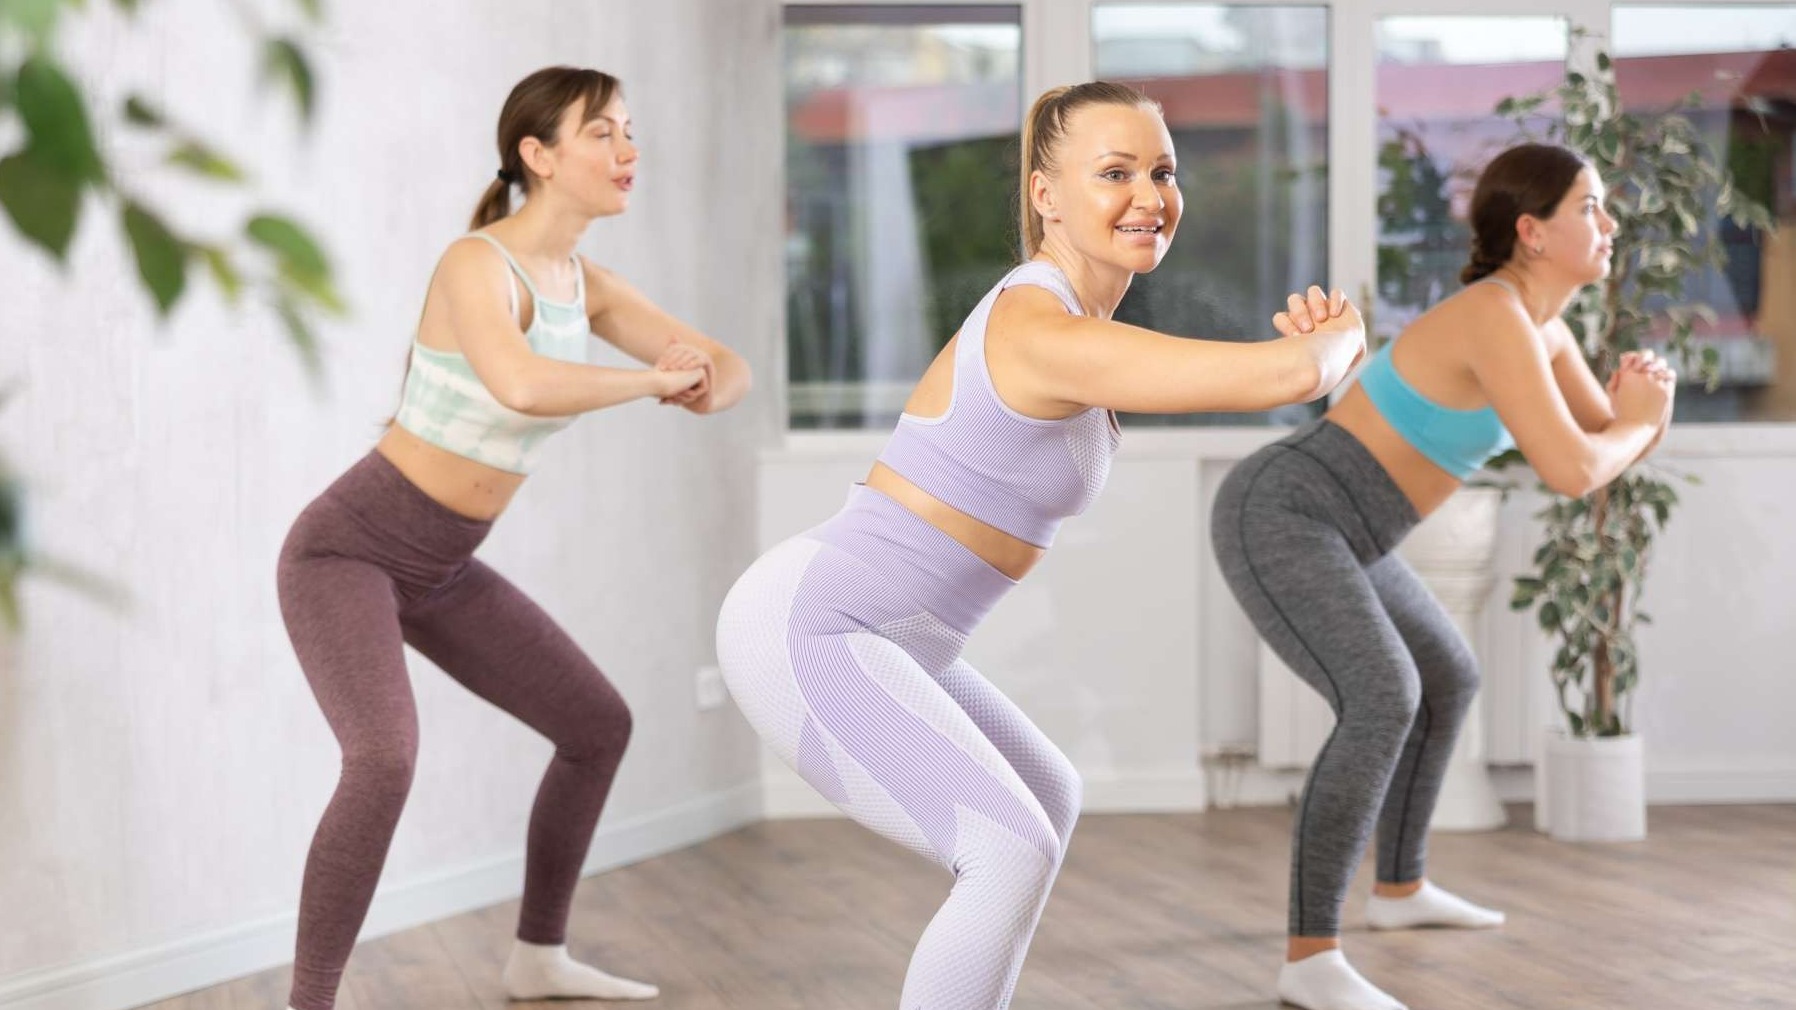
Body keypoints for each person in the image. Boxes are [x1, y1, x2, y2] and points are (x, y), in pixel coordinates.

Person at [715, 80, 1365, 1010]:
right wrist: (1341, 336)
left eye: (1162, 172)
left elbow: (1288, 373)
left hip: (902, 635)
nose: (1149, 196)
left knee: (1047, 799)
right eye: (1115, 172)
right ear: (1045, 194)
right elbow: (1291, 374)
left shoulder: (1082, 324)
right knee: (1006, 849)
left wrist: (1320, 355)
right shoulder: (1037, 326)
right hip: (816, 624)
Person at [275, 65, 749, 1010]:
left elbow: (728, 366)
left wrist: (700, 383)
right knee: (383, 759)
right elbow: (521, 383)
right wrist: (653, 381)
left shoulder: (585, 285)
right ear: (538, 155)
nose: (628, 150)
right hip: (348, 553)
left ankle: (538, 956)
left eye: (629, 130)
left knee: (595, 727)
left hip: (442, 566)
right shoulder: (475, 264)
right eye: (602, 133)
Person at [1211, 142, 1675, 1010]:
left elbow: (1605, 440)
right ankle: (1310, 958)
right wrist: (1641, 424)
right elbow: (1578, 468)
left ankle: (1400, 888)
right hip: (1285, 510)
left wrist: (1646, 414)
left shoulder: (1545, 331)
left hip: (1353, 533)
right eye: (1590, 207)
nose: (1610, 224)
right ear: (1532, 232)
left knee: (1447, 676)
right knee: (1382, 695)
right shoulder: (1494, 315)